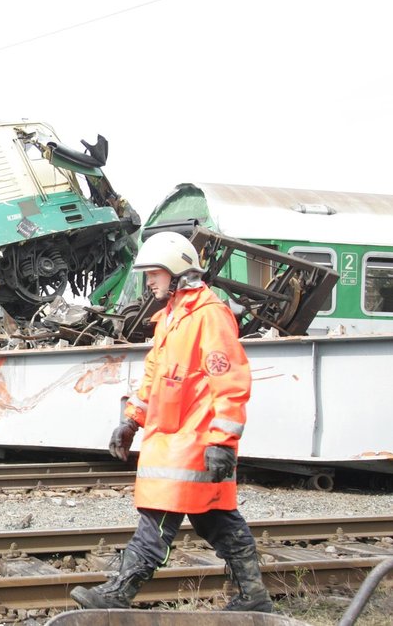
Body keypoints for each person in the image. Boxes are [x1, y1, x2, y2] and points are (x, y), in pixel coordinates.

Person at [70, 231, 273, 613]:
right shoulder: (171, 318)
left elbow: (229, 381)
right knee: (215, 520)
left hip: (193, 443)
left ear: (178, 272)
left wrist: (222, 442)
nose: (149, 281)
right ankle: (254, 597)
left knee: (157, 518)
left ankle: (118, 595)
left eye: (155, 273)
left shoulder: (208, 315)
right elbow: (156, 378)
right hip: (173, 440)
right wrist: (131, 421)